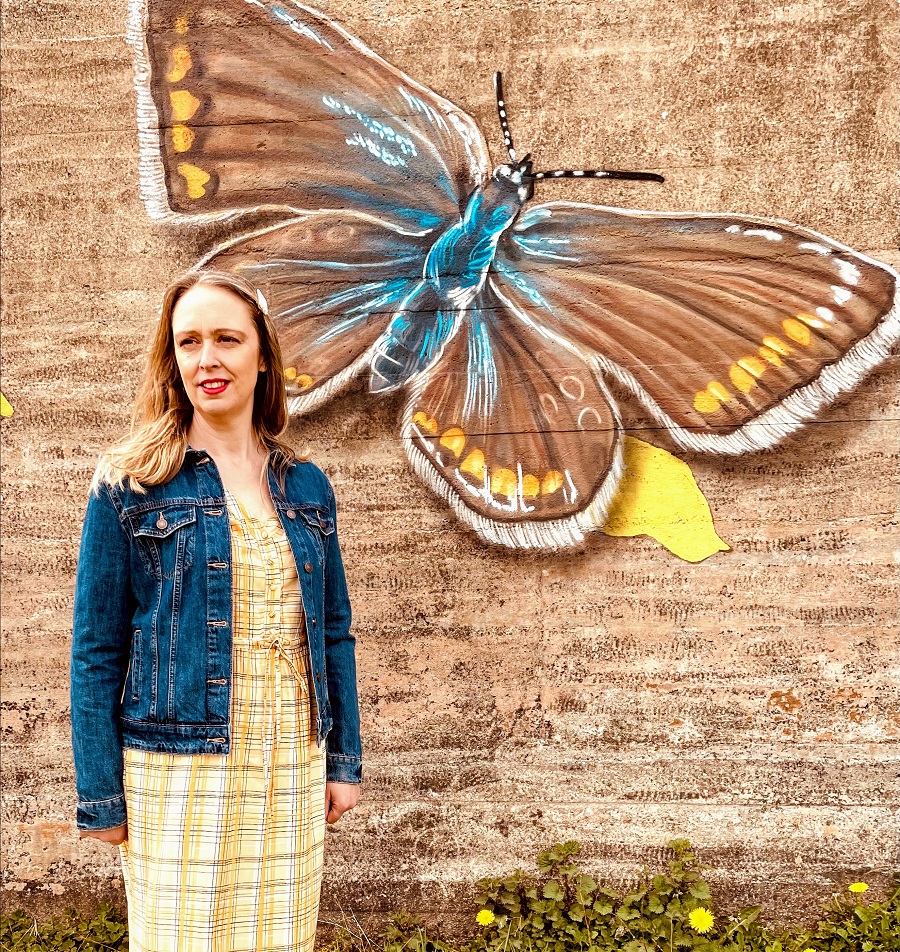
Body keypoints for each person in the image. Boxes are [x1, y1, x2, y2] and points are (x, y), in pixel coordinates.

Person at [70, 269, 361, 951]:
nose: (208, 359)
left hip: (289, 753)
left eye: (227, 339)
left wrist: (343, 761)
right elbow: (96, 648)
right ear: (171, 360)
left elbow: (335, 633)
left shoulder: (308, 485)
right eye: (189, 342)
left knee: (278, 937)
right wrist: (102, 796)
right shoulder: (131, 481)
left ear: (262, 355)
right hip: (178, 764)